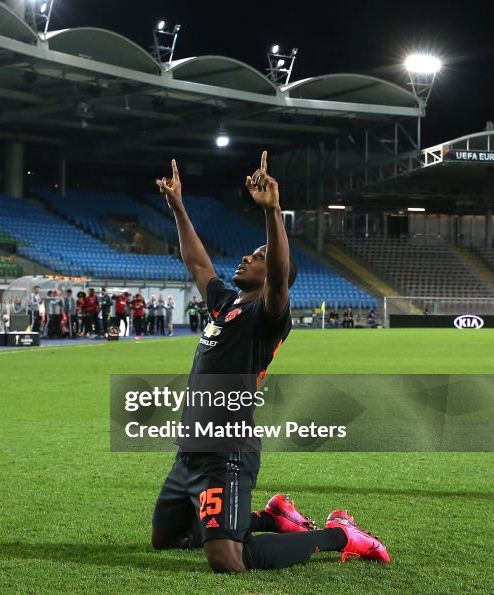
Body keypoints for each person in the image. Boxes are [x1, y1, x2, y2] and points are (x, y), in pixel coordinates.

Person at [151, 152, 388, 572]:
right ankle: (271, 518)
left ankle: (341, 535)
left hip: (227, 450)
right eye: (251, 254)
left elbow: (279, 275)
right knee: (166, 540)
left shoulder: (269, 315)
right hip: (191, 450)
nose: (247, 258)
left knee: (228, 560)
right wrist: (179, 208)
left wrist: (273, 211)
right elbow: (197, 262)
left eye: (258, 256)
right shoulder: (226, 304)